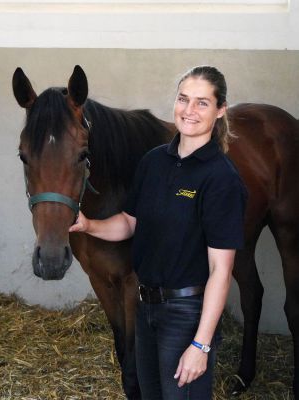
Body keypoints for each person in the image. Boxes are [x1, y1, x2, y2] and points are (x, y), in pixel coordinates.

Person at [69, 65, 247, 399]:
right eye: (183, 99)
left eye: (202, 103)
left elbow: (220, 271)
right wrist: (88, 225)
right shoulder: (153, 162)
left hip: (186, 314)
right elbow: (129, 223)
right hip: (145, 308)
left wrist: (201, 344)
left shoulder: (221, 179)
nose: (189, 111)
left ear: (220, 110)